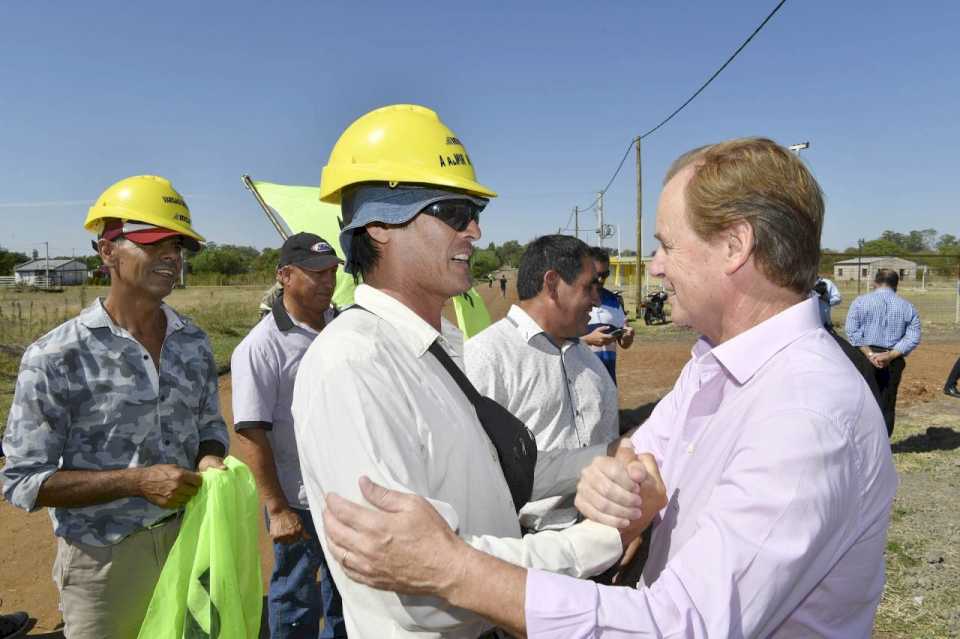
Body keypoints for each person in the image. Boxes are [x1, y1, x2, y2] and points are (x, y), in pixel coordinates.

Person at [321, 138, 898, 638]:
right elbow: (638, 458)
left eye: (668, 244)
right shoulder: (713, 366)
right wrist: (612, 476)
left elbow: (681, 625)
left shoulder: (805, 413)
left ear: (735, 246)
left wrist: (453, 569)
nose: (655, 267)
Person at [291, 104, 662, 638]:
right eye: (454, 211)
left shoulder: (437, 346)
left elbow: (494, 476)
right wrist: (601, 539)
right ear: (379, 224)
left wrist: (604, 456)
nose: (476, 231)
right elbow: (415, 583)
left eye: (476, 211)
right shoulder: (354, 363)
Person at [1, 175, 229, 639]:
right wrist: (136, 481)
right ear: (107, 252)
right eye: (153, 243)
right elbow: (23, 480)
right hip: (104, 564)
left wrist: (209, 455)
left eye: (179, 246)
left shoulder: (193, 342)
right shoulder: (56, 356)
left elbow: (210, 423)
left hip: (193, 544)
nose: (171, 256)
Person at [231, 233, 347, 638]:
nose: (327, 281)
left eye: (332, 271)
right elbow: (251, 432)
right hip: (298, 500)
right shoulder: (260, 347)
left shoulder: (344, 325)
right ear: (285, 275)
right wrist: (277, 508)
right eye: (316, 273)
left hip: (347, 493)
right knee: (296, 596)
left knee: (347, 594)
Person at [465, 235, 620, 533]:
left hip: (598, 538)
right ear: (552, 284)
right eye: (589, 287)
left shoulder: (590, 362)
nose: (597, 300)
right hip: (525, 552)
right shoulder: (486, 358)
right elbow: (478, 477)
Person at [845, 268, 921, 436]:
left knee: (862, 402)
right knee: (887, 402)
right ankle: (884, 446)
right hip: (893, 359)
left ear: (874, 282)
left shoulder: (860, 302)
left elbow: (852, 331)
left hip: (864, 358)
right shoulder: (908, 307)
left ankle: (863, 443)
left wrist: (870, 354)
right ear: (896, 285)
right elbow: (913, 337)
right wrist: (891, 355)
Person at [582, 247, 635, 383]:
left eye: (605, 275)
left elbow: (623, 344)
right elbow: (556, 342)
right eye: (597, 274)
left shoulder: (614, 301)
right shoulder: (571, 301)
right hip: (580, 382)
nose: (601, 279)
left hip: (608, 381)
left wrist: (627, 337)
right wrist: (587, 339)